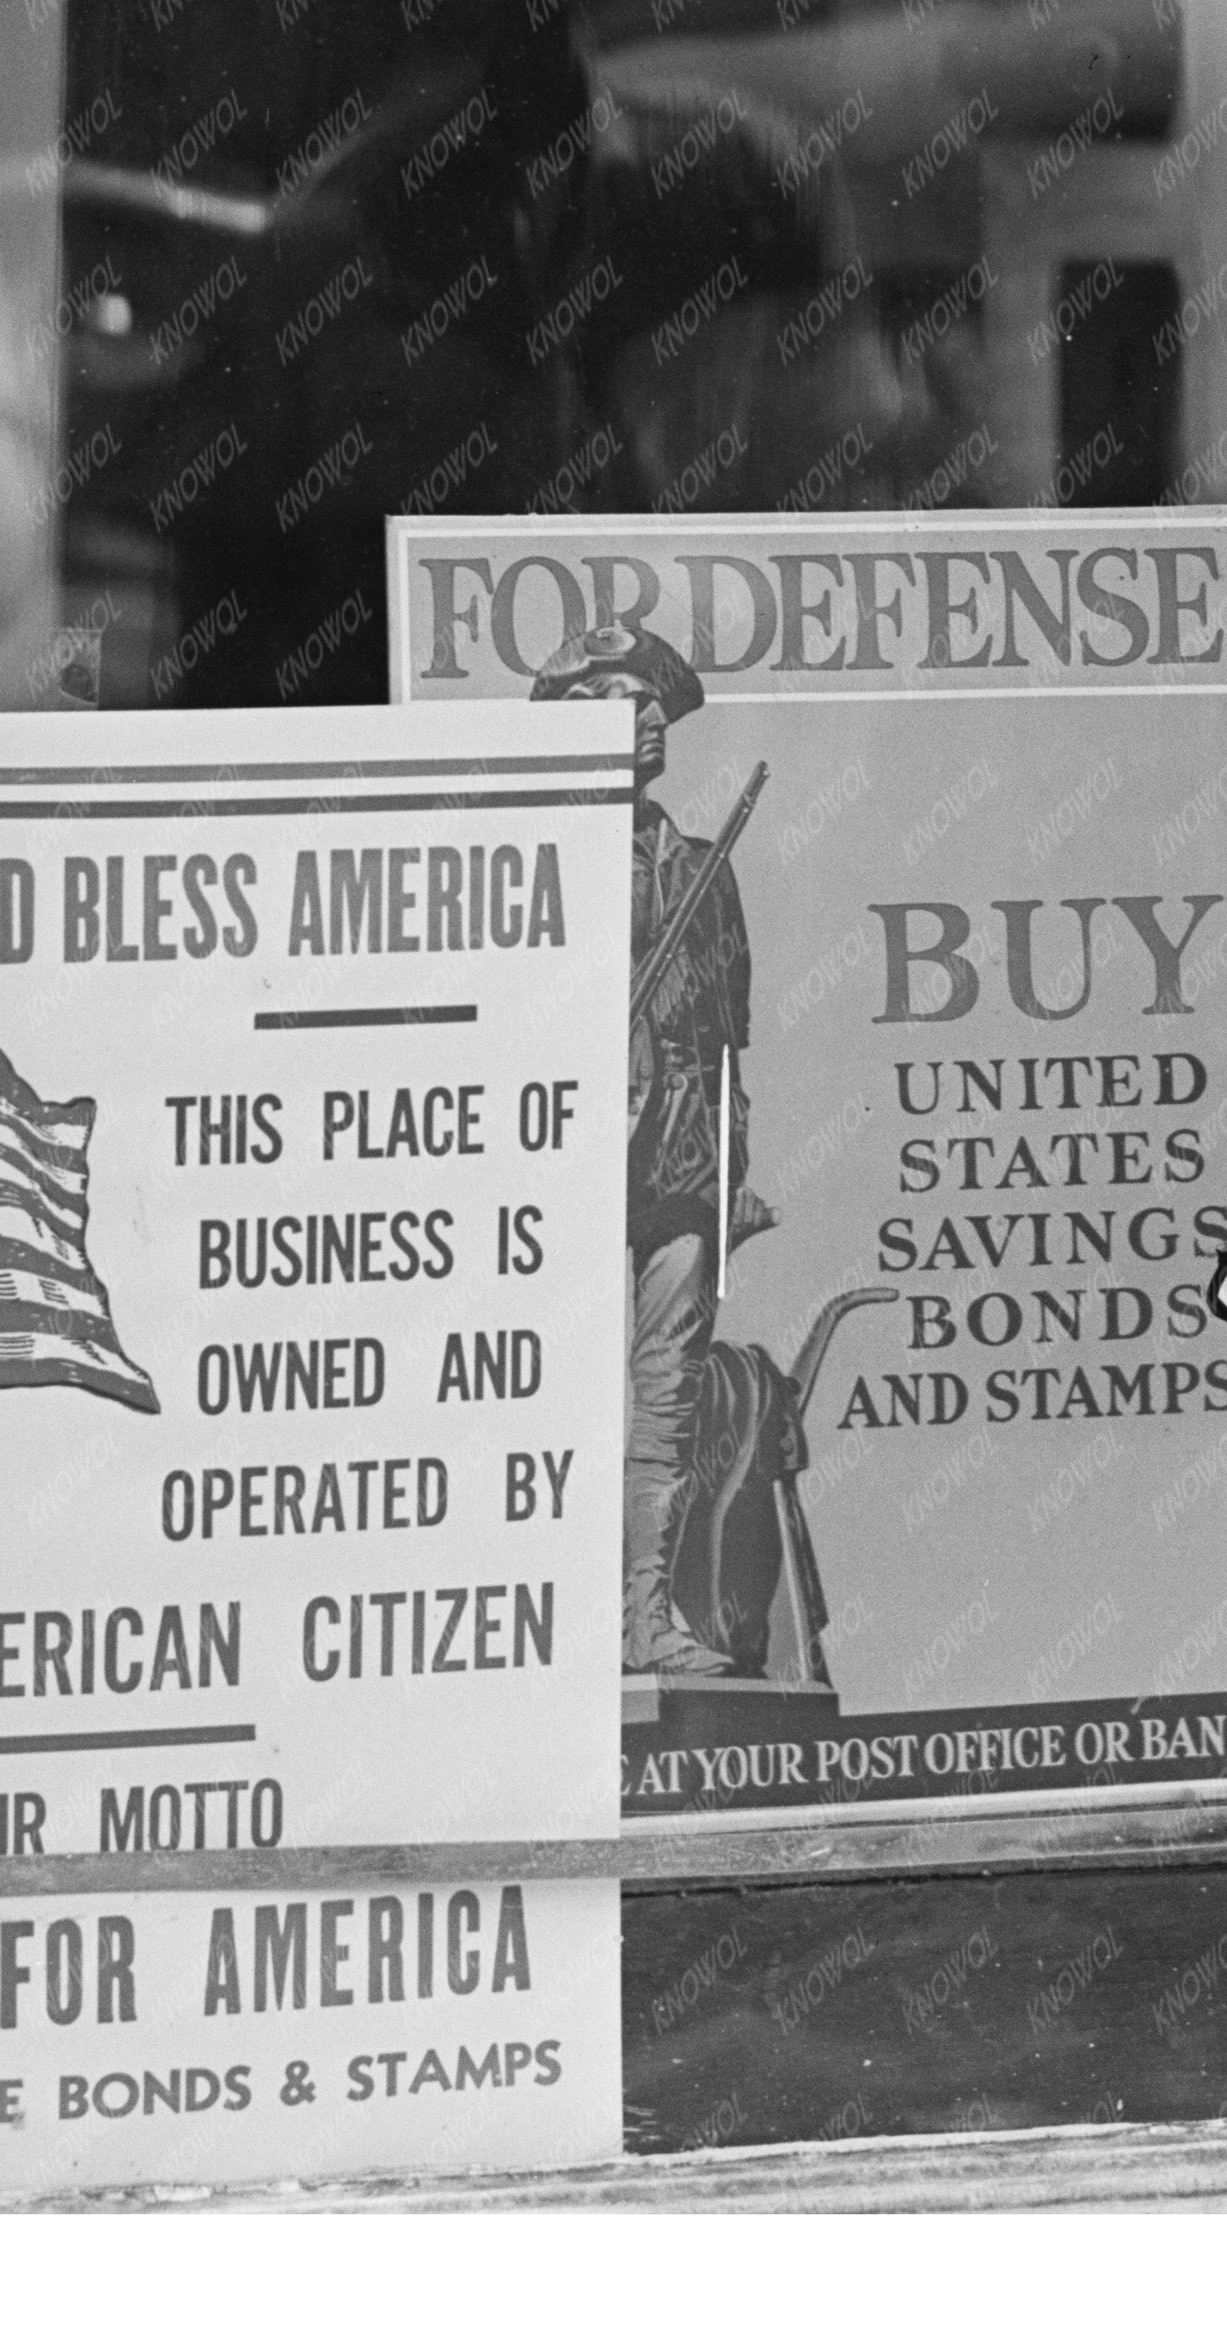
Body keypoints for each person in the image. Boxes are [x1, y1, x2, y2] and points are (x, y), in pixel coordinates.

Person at [531, 624, 756, 1686]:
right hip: (567, 1145)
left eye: (656, 702)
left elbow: (725, 1048)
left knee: (663, 1400)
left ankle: (642, 1621)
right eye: (625, 698)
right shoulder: (528, 858)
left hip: (677, 1161)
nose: (652, 718)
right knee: (560, 1392)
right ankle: (552, 1622)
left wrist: (730, 1174)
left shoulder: (705, 869)